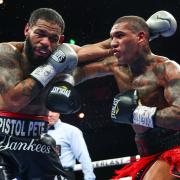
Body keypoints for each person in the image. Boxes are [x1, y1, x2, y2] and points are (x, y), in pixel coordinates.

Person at [0, 7, 116, 180]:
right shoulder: (6, 53)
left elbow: (103, 52)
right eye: (40, 33)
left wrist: (144, 35)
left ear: (60, 41)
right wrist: (51, 67)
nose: (46, 42)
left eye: (53, 38)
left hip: (37, 138)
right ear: (27, 30)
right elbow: (13, 101)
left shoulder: (63, 56)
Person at [72, 12, 180, 180]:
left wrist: (138, 114)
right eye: (111, 37)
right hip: (148, 154)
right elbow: (76, 67)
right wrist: (60, 82)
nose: (113, 43)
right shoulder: (116, 67)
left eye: (120, 36)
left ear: (141, 37)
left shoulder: (167, 69)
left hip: (175, 147)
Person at [47, 111, 96, 180]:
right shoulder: (35, 132)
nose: (50, 114)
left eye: (53, 111)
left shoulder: (71, 131)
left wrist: (90, 177)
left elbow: (83, 156)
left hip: (63, 175)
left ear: (59, 112)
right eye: (47, 111)